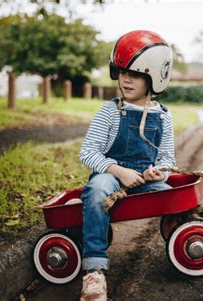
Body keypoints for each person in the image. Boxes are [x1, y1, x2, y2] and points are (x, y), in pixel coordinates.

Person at [78, 30, 176, 301]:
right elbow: (87, 152)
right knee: (96, 191)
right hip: (110, 174)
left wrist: (158, 171)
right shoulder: (110, 111)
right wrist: (118, 170)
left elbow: (167, 160)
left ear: (154, 77)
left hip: (144, 178)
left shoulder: (164, 118)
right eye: (122, 72)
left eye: (135, 73)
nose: (126, 79)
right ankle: (94, 271)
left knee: (173, 194)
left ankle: (182, 237)